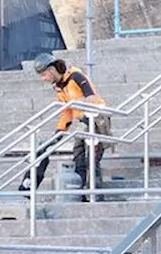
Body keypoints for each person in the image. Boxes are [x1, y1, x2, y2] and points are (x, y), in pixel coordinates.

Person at [20, 54, 110, 200]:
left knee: (91, 158)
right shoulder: (59, 87)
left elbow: (92, 97)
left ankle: (96, 195)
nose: (44, 78)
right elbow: (66, 113)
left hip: (96, 118)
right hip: (82, 122)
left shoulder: (76, 76)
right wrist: (59, 133)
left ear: (52, 70)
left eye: (44, 75)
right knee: (78, 157)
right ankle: (81, 194)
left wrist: (78, 104)